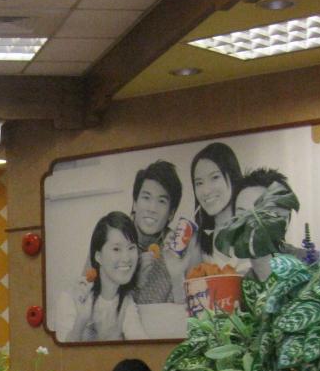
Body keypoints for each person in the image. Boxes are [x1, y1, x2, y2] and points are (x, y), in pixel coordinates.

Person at [53, 211, 148, 342]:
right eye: (116, 249)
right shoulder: (71, 297)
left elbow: (143, 346)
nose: (126, 258)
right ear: (98, 256)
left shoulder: (126, 304)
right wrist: (81, 320)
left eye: (131, 248)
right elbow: (61, 353)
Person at [162, 142, 243, 294]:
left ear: (232, 176)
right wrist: (175, 273)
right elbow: (190, 301)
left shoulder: (254, 230)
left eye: (214, 177)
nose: (205, 191)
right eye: (199, 183)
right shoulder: (196, 241)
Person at [129, 160, 181, 305]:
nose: (152, 208)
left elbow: (185, 311)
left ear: (171, 213)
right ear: (134, 203)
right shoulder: (110, 238)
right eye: (146, 198)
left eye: (161, 201)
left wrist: (177, 274)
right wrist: (134, 284)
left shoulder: (177, 248)